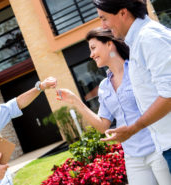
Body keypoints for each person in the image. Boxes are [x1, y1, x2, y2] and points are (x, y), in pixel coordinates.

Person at [56, 28, 171, 184]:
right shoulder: (104, 87)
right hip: (133, 157)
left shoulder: (137, 70)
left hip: (157, 149)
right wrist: (76, 101)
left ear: (109, 44)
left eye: (93, 48)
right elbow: (104, 127)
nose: (91, 55)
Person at [92, 0, 171, 172]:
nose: (103, 26)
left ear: (123, 13)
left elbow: (169, 95)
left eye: (104, 18)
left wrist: (133, 128)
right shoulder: (137, 42)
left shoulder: (149, 38)